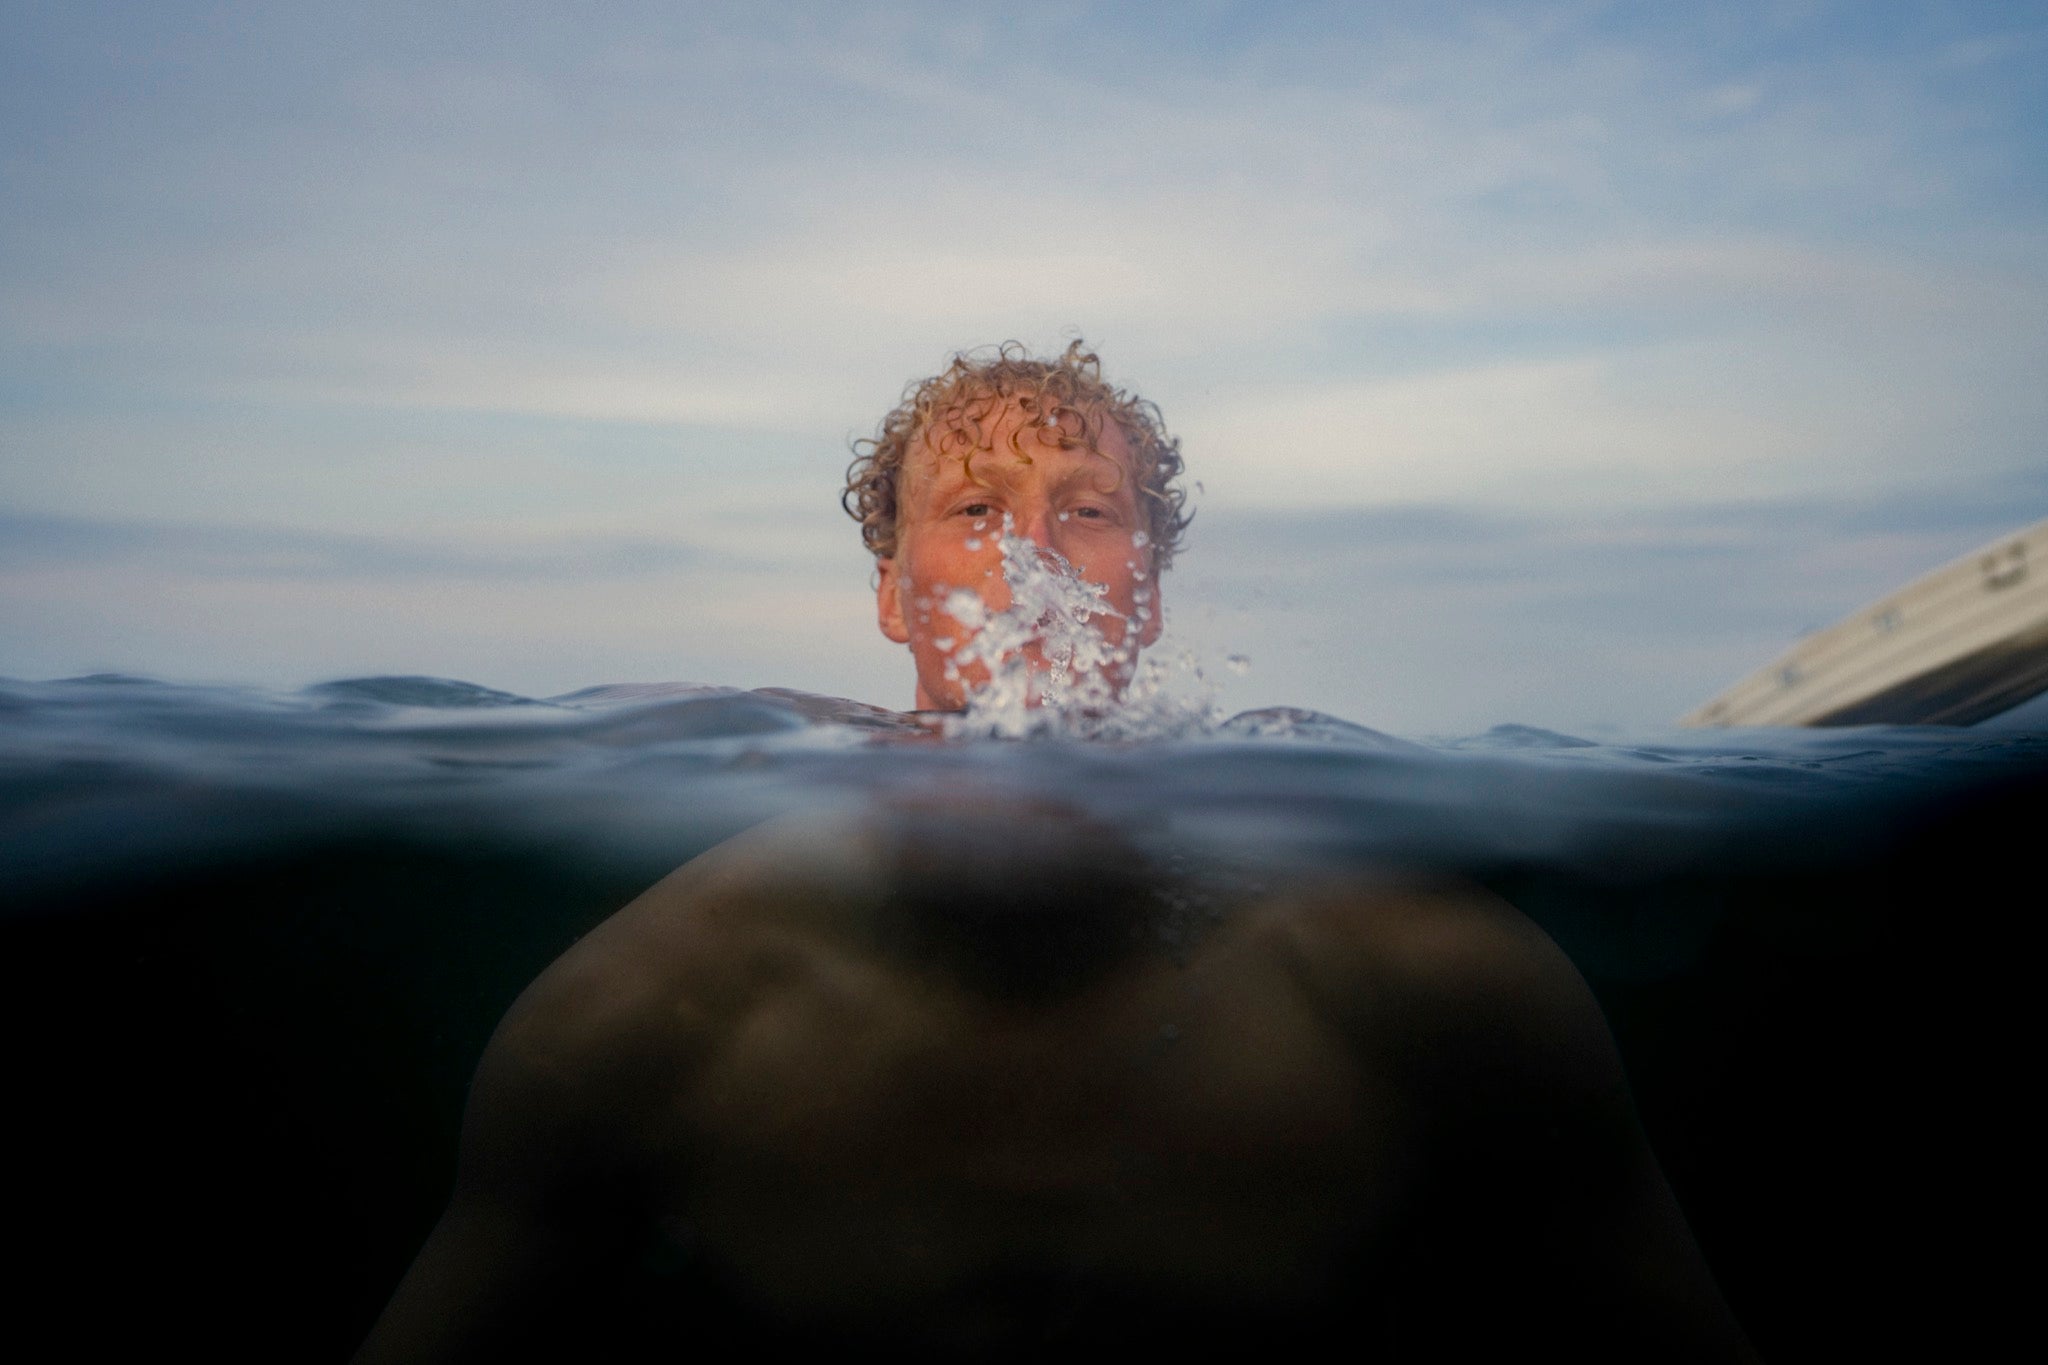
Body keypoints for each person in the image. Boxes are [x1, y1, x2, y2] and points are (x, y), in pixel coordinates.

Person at [355, 343, 1757, 1362]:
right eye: (974, 513)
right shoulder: (641, 1014)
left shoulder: (1437, 987)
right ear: (896, 596)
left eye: (1087, 509)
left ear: (1145, 583)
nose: (1036, 551)